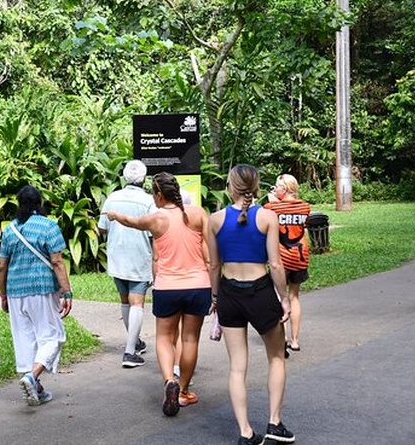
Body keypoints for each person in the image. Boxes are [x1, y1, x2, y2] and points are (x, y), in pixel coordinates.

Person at [105, 172, 211, 417]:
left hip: (168, 287)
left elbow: (130, 221)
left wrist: (114, 215)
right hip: (198, 285)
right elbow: (209, 250)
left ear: (160, 195)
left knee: (164, 337)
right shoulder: (197, 214)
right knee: (190, 339)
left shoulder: (156, 219)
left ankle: (169, 381)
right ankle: (183, 390)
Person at [206, 164, 294, 445]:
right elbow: (276, 264)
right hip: (261, 293)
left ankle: (245, 432)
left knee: (236, 367)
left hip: (230, 294)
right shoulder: (268, 217)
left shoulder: (215, 219)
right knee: (276, 357)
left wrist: (216, 299)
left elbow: (214, 265)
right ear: (256, 187)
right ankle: (274, 423)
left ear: (230, 187)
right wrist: (284, 299)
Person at [0, 185, 74, 406]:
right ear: (39, 204)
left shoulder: (10, 230)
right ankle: (32, 377)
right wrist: (67, 291)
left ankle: (35, 387)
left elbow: (2, 266)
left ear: (19, 204)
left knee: (25, 339)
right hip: (41, 289)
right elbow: (57, 261)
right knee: (53, 336)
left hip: (15, 292)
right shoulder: (49, 226)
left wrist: (3, 294)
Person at [98, 160, 156, 368]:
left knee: (125, 301)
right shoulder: (149, 201)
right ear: (144, 178)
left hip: (117, 255)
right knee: (137, 303)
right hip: (139, 257)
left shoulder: (112, 198)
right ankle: (130, 351)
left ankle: (135, 342)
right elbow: (153, 233)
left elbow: (101, 228)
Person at [265, 174, 311, 353]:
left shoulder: (271, 208)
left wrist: (274, 202)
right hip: (300, 257)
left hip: (281, 259)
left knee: (279, 297)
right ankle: (295, 340)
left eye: (276, 187)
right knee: (294, 297)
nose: (274, 190)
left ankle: (281, 337)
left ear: (284, 189)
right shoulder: (305, 207)